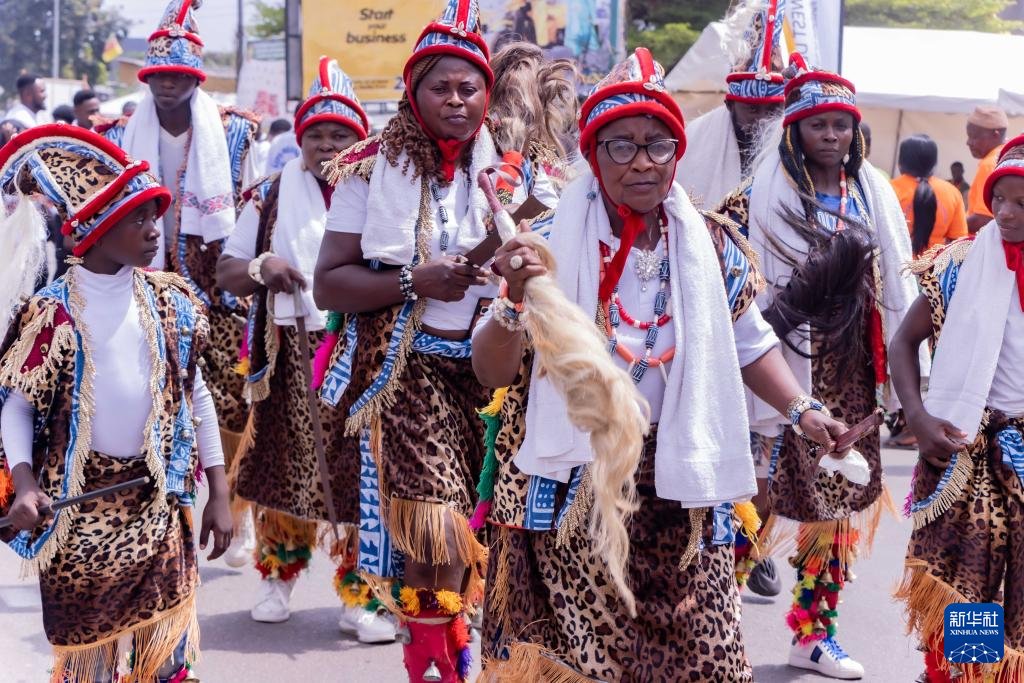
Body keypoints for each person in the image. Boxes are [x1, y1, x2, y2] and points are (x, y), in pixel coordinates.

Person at [473, 46, 846, 682]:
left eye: (658, 144)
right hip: (576, 484)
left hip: (682, 479)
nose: (642, 161)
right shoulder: (547, 241)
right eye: (621, 145)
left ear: (677, 153)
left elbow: (749, 342)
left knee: (704, 660)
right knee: (588, 666)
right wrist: (514, 298)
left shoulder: (711, 243)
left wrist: (803, 410)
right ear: (594, 154)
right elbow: (492, 374)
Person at [312, 3, 564, 678]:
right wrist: (413, 279)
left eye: (468, 88)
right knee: (437, 531)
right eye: (440, 87)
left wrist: (519, 263)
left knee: (476, 536)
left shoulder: (516, 172)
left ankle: (439, 657)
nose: (456, 100)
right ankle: (441, 668)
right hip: (408, 372)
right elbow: (328, 284)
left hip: (497, 372)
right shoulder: (368, 168)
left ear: (487, 94)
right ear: (412, 92)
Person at [0, 123, 231, 683]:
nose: (155, 230)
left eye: (155, 216)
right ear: (96, 233)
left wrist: (220, 492)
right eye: (138, 219)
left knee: (167, 659)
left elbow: (195, 394)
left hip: (158, 501)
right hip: (78, 513)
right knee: (91, 665)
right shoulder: (52, 312)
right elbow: (18, 407)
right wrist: (25, 484)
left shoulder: (171, 302)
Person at [718, 54, 920, 679]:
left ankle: (813, 632)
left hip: (851, 366)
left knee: (836, 504)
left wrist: (908, 381)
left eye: (840, 124)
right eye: (817, 125)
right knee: (753, 497)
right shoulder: (753, 199)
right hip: (776, 367)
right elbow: (735, 290)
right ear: (794, 130)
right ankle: (718, 621)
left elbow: (899, 283)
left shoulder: (874, 193)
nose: (831, 136)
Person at [215, 57, 383, 638]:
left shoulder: (382, 193)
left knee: (362, 474)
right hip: (289, 358)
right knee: (285, 469)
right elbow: (228, 269)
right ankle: (277, 576)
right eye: (317, 134)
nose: (328, 145)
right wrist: (264, 266)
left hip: (362, 354)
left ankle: (361, 594)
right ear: (301, 138)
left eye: (340, 134)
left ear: (359, 140)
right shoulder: (268, 196)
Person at [95, 0, 260, 568]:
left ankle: (234, 507)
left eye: (179, 75)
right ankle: (164, 516)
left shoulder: (235, 132)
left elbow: (252, 211)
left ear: (195, 78)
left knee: (228, 407)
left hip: (218, 294)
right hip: (138, 291)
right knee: (150, 405)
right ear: (146, 79)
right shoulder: (118, 134)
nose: (167, 84)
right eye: (159, 75)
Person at [891, 134, 1024, 683]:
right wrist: (918, 417)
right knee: (970, 584)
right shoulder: (959, 265)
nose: (1005, 213)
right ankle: (963, 677)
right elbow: (903, 343)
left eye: (1022, 203)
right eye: (1000, 199)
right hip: (966, 449)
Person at [677, 0, 786, 211]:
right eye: (752, 109)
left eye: (772, 110)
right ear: (730, 106)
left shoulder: (797, 145)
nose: (762, 120)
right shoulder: (695, 139)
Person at [891, 134, 968, 256]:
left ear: (900, 163)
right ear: (934, 164)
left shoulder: (888, 189)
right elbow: (959, 242)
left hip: (895, 264)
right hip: (936, 266)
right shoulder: (952, 192)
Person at [965, 105, 1008, 233]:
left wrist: (952, 225)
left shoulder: (989, 164)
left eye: (974, 136)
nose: (968, 142)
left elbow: (983, 219)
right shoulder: (1009, 155)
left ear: (995, 135)